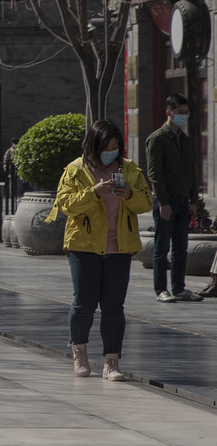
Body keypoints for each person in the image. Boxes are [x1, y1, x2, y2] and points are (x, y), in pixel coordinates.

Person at [52, 119, 151, 381]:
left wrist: (129, 194)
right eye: (106, 146)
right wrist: (93, 192)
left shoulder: (128, 169)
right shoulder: (75, 170)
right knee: (84, 304)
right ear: (94, 146)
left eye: (116, 146)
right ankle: (80, 352)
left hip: (119, 247)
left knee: (113, 306)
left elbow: (146, 202)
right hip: (83, 246)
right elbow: (65, 203)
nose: (111, 151)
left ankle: (112, 361)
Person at [146, 93, 204, 303]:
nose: (183, 117)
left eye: (186, 113)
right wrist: (162, 202)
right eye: (180, 113)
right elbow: (154, 174)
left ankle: (179, 288)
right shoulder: (157, 139)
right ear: (168, 113)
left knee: (181, 247)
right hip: (166, 200)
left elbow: (191, 172)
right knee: (162, 248)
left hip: (183, 200)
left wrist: (193, 200)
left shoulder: (186, 140)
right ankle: (161, 289)